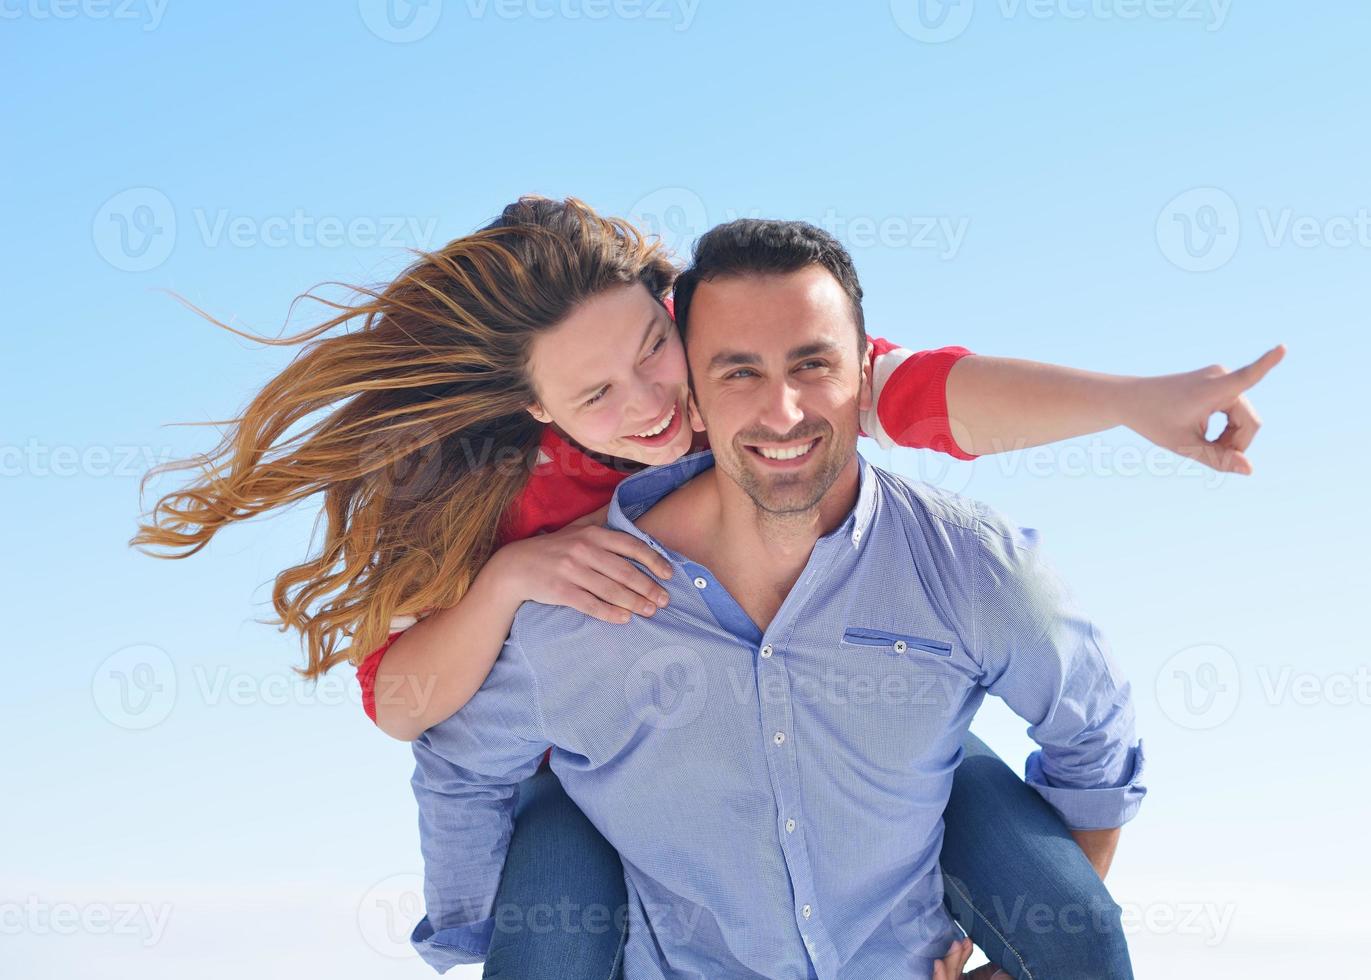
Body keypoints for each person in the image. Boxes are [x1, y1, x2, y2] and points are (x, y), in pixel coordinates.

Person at [133, 196, 1280, 978]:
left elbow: (933, 393)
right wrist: (504, 583)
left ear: (670, 306)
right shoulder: (512, 499)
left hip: (854, 729)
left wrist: (1137, 400)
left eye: (650, 346)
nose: (649, 400)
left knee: (1060, 909)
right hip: (602, 767)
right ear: (539, 409)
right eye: (595, 395)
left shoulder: (753, 377)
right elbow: (409, 712)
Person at [409, 218, 1148, 979]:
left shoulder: (964, 564)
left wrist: (1039, 945)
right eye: (737, 374)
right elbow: (453, 759)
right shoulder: (572, 597)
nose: (784, 412)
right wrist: (472, 932)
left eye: (811, 366)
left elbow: (1094, 737)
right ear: (696, 391)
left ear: (864, 370)